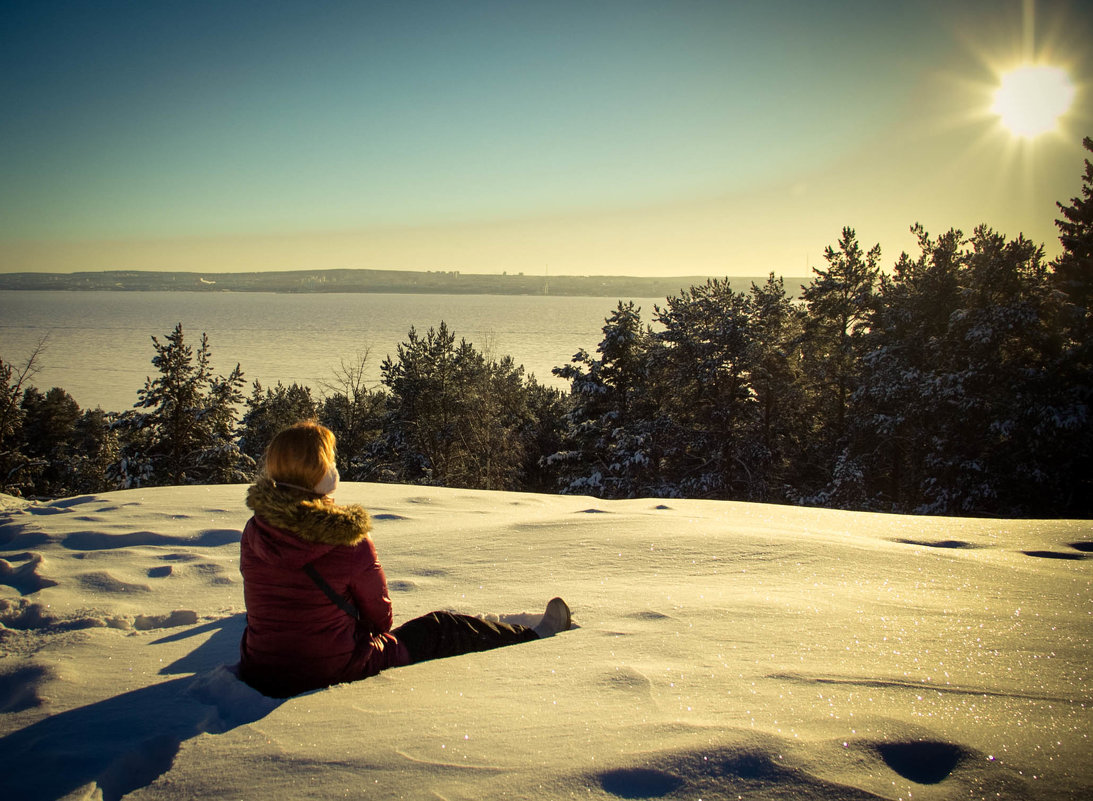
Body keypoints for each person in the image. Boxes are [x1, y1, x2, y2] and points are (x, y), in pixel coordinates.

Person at [238, 421, 571, 698]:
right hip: (333, 670)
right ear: (322, 475)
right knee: (442, 627)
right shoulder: (346, 539)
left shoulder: (255, 531)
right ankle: (533, 639)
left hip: (261, 670)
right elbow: (381, 620)